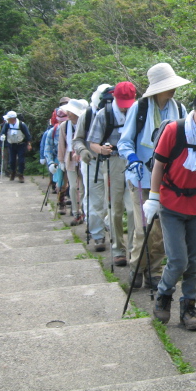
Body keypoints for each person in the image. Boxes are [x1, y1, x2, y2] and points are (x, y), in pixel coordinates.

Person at [146, 85, 196, 330]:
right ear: (195, 109)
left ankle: (189, 307)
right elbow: (159, 165)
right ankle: (164, 295)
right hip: (171, 204)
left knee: (195, 261)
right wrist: (153, 198)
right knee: (178, 260)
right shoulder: (175, 130)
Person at [118, 63, 190, 290]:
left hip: (169, 181)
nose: (173, 90)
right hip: (141, 177)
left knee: (159, 231)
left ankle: (153, 271)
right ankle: (136, 267)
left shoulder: (179, 109)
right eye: (168, 86)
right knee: (143, 228)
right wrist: (132, 158)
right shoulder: (138, 110)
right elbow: (124, 142)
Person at [88, 81, 137, 267]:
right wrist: (101, 149)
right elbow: (92, 142)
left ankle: (134, 248)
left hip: (133, 161)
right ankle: (118, 249)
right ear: (114, 97)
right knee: (115, 209)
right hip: (113, 162)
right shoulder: (104, 114)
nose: (125, 108)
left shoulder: (138, 111)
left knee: (133, 209)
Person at [73, 84, 112, 252]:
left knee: (112, 201)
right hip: (92, 162)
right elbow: (78, 139)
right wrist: (82, 150)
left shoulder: (117, 113)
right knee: (95, 200)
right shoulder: (87, 115)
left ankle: (113, 232)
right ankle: (98, 235)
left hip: (114, 162)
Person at [58, 99, 88, 226]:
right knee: (73, 187)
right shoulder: (64, 126)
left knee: (83, 187)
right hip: (70, 158)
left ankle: (84, 211)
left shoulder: (85, 123)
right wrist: (61, 161)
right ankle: (76, 212)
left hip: (84, 158)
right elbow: (61, 144)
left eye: (70, 112)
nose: (68, 114)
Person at [45, 108, 69, 213]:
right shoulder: (52, 132)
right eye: (60, 120)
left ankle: (76, 207)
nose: (62, 122)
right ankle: (61, 203)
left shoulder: (73, 129)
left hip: (71, 158)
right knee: (60, 183)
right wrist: (50, 162)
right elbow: (48, 149)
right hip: (58, 160)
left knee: (74, 184)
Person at [0, 111, 32, 183]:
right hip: (11, 144)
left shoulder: (21, 125)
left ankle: (21, 174)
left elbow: (27, 135)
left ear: (13, 118)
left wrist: (29, 144)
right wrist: (2, 137)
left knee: (21, 160)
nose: (7, 120)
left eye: (8, 119)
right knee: (12, 160)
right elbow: (2, 132)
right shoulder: (7, 125)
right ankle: (13, 172)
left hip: (21, 144)